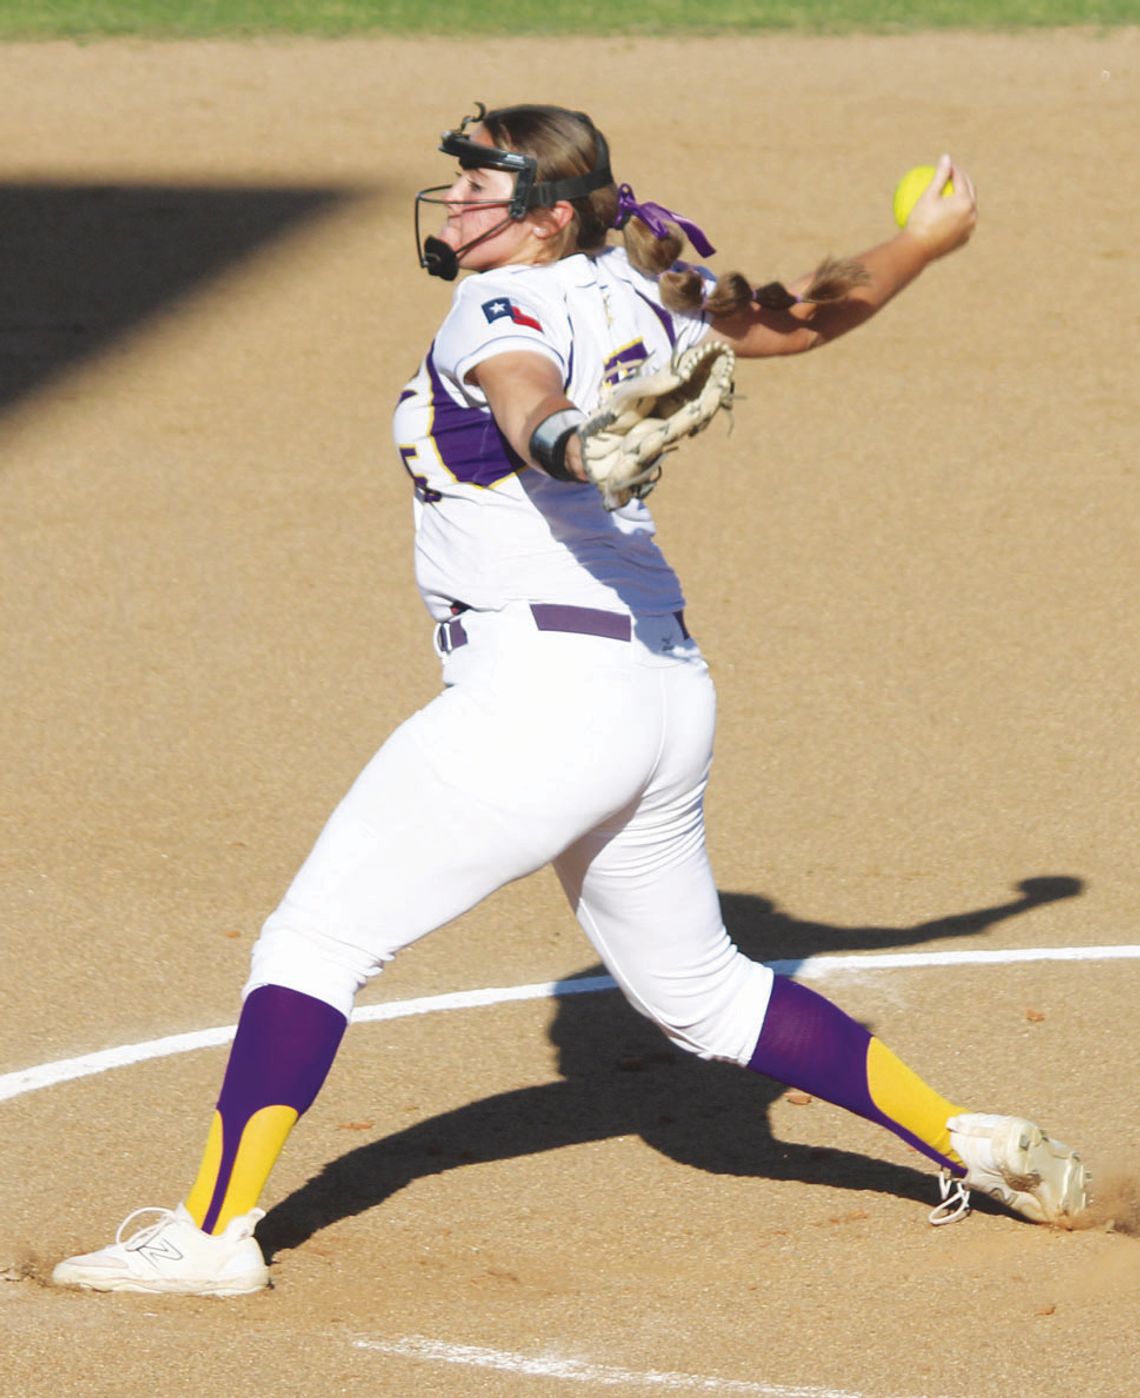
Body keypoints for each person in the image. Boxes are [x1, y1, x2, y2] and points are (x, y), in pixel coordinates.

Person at [53, 103, 1088, 1298]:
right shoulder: (646, 289)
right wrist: (927, 241)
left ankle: (211, 1232)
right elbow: (802, 315)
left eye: (478, 187)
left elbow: (521, 393)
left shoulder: (498, 305)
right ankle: (966, 1139)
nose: (454, 203)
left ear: (546, 216)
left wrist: (565, 443)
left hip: (542, 699)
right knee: (703, 995)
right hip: (660, 693)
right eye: (453, 181)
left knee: (315, 941)